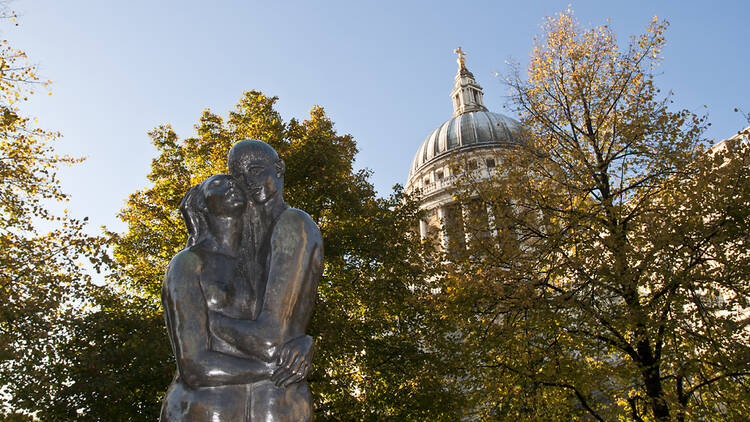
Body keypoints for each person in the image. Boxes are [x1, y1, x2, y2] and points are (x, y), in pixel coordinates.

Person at [160, 174, 314, 421]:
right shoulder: (189, 263)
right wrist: (272, 369)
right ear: (202, 205)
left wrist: (303, 344)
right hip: (203, 408)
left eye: (234, 183)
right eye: (218, 184)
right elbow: (194, 365)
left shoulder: (260, 267)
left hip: (260, 407)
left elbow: (275, 330)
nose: (231, 184)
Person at [207, 139, 323, 421]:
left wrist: (200, 321)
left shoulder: (293, 224)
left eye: (257, 169)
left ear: (279, 169)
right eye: (238, 177)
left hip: (274, 394)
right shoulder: (235, 239)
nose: (248, 181)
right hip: (231, 396)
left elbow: (272, 339)